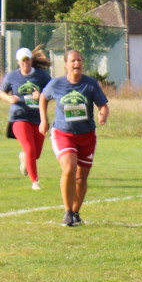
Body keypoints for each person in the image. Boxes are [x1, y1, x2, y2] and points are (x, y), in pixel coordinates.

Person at [38, 49, 109, 226]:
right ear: (66, 64)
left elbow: (103, 105)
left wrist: (103, 113)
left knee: (81, 177)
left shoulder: (90, 83)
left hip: (87, 135)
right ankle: (67, 211)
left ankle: (76, 212)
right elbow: (43, 97)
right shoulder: (57, 84)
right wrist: (43, 120)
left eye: (79, 60)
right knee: (69, 168)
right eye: (73, 61)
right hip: (63, 133)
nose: (77, 63)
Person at [0, 45, 51, 189]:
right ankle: (35, 182)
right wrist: (10, 98)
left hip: (38, 118)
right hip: (19, 117)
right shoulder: (12, 76)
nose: (24, 63)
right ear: (18, 62)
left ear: (31, 60)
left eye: (27, 59)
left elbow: (52, 91)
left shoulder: (41, 76)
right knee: (29, 148)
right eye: (22, 60)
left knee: (36, 153)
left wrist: (41, 95)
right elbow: (1, 92)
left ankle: (24, 157)